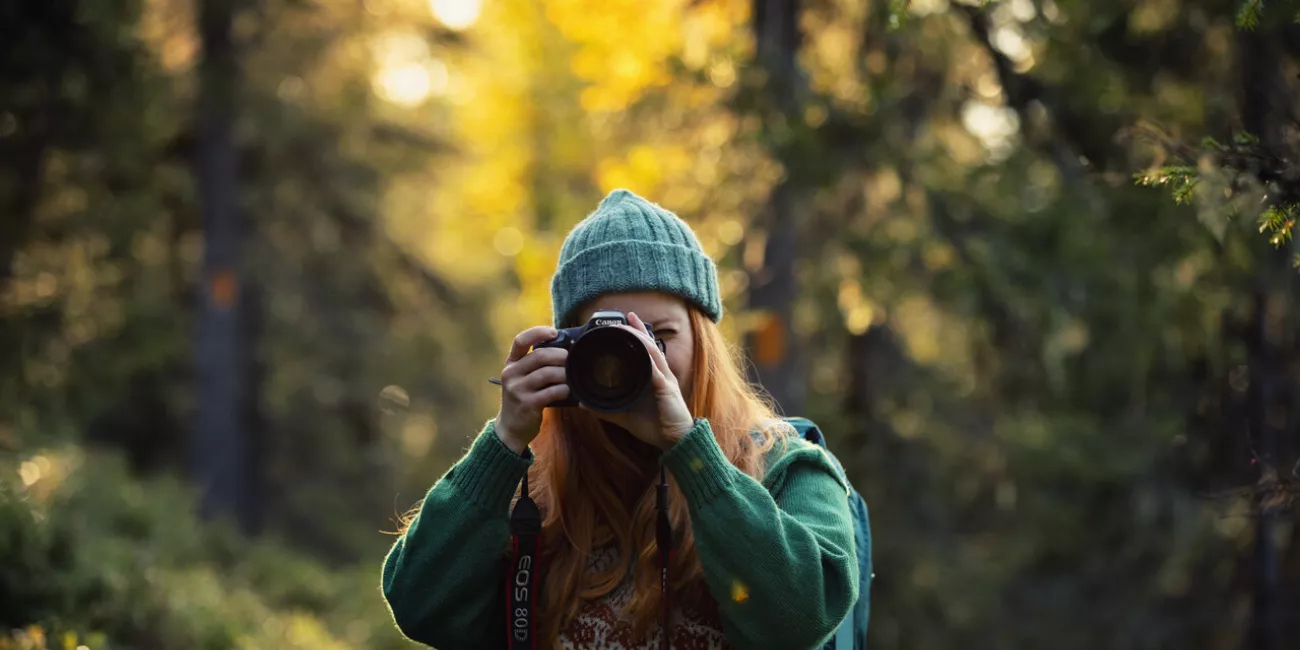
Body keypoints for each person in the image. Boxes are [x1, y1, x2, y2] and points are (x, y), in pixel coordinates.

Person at [381, 189, 859, 649]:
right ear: (567, 348)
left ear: (703, 342)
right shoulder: (533, 487)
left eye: (659, 335)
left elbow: (801, 620)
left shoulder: (786, 467)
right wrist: (503, 443)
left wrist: (695, 458)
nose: (641, 359)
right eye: (611, 341)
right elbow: (421, 608)